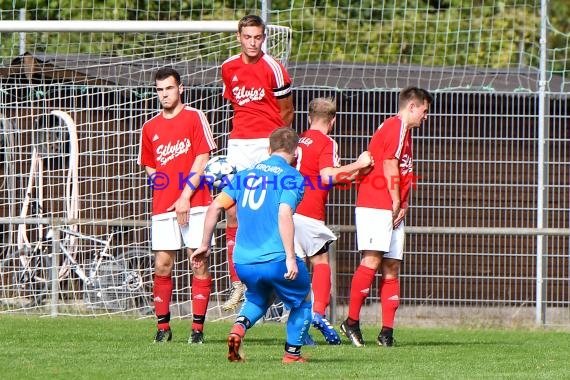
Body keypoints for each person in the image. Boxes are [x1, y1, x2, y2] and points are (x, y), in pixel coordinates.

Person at [191, 127, 312, 363]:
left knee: (259, 298)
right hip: (276, 258)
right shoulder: (292, 177)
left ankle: (237, 330)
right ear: (296, 152)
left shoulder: (245, 174)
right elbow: (284, 211)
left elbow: (215, 206)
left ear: (269, 149)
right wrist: (290, 257)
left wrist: (204, 244)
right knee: (303, 299)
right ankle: (292, 355)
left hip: (243, 261)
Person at [340, 87, 433, 348]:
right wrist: (394, 199)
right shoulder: (396, 126)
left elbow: (403, 171)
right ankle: (351, 321)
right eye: (424, 111)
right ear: (412, 106)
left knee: (392, 266)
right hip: (376, 202)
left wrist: (403, 203)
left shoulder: (406, 132)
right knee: (372, 259)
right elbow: (389, 164)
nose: (426, 116)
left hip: (392, 206)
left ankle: (386, 332)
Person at [220, 14, 294, 311]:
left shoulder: (275, 69)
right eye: (248, 36)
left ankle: (274, 278)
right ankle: (238, 282)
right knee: (233, 211)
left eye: (258, 37)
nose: (253, 42)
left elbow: (287, 111)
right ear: (239, 36)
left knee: (271, 210)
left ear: (264, 38)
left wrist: (278, 148)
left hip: (267, 144)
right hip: (238, 143)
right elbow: (236, 106)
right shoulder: (228, 68)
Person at [138, 67, 217, 344]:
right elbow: (148, 162)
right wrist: (160, 184)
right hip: (163, 206)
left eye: (169, 88)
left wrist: (185, 195)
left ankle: (197, 330)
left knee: (198, 262)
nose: (164, 94)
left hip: (195, 203)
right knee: (161, 264)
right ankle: (163, 328)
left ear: (180, 88)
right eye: (159, 90)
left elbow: (203, 156)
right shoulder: (149, 127)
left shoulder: (195, 117)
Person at [295, 97, 373, 345]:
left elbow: (324, 176)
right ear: (333, 121)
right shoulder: (327, 142)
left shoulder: (298, 139)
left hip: (287, 211)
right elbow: (327, 176)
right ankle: (317, 312)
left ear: (308, 117)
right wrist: (359, 164)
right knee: (321, 262)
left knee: (295, 268)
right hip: (309, 211)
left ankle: (300, 329)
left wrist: (355, 174)